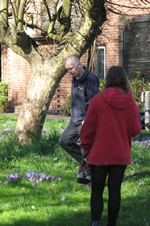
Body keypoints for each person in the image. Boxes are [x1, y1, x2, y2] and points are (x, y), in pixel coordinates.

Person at [80, 66, 142, 226]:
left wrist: (85, 147)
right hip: (120, 154)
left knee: (97, 190)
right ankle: (111, 223)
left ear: (108, 79)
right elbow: (136, 130)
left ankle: (95, 222)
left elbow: (87, 129)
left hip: (99, 154)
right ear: (124, 79)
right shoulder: (130, 102)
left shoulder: (98, 100)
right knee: (115, 190)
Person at [59, 55, 99, 163]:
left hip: (85, 121)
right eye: (67, 69)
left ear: (79, 64)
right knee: (64, 141)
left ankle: (91, 173)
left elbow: (94, 102)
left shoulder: (91, 79)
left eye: (71, 68)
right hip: (74, 120)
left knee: (86, 149)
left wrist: (87, 118)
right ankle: (85, 163)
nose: (69, 71)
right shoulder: (74, 78)